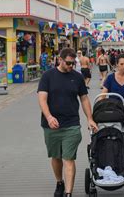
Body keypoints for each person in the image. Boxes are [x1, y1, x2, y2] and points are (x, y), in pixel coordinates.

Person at [37, 48, 98, 197]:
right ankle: (59, 182)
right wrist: (49, 117)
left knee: (68, 159)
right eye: (68, 63)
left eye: (73, 63)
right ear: (60, 59)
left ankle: (68, 193)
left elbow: (84, 99)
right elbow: (42, 98)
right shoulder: (47, 76)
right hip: (51, 125)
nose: (71, 66)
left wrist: (89, 118)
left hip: (72, 124)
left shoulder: (77, 77)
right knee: (56, 157)